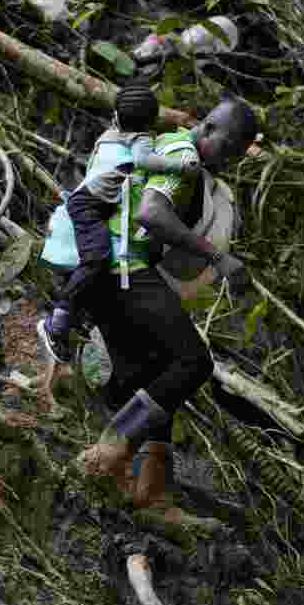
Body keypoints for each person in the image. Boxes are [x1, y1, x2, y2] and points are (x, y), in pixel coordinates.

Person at [73, 94, 257, 526]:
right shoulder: (182, 154)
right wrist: (217, 258)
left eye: (236, 156)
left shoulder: (194, 163)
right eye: (226, 148)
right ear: (208, 127)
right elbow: (153, 213)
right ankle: (106, 453)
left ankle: (151, 495)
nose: (228, 161)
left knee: (156, 377)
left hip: (121, 267)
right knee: (193, 362)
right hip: (122, 266)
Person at [38, 84, 202, 364]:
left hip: (86, 200)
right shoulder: (140, 139)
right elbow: (144, 160)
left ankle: (76, 316)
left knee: (97, 260)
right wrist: (181, 167)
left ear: (116, 115)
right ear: (150, 120)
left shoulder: (109, 135)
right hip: (89, 206)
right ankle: (58, 320)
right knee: (97, 259)